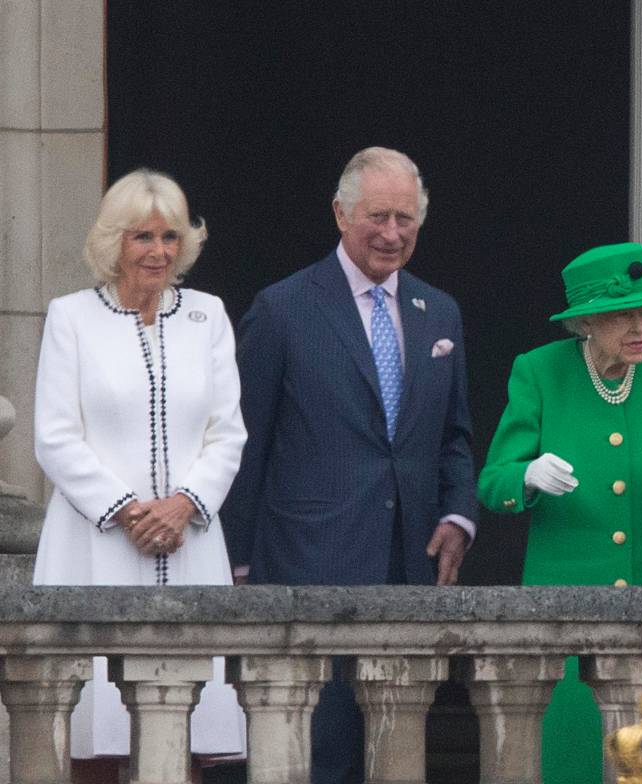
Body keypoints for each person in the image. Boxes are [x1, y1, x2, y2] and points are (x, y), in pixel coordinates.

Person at [221, 147, 478, 784]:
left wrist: (457, 513)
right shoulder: (282, 309)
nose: (392, 234)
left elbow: (453, 437)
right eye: (378, 217)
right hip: (308, 564)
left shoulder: (439, 312)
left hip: (409, 565)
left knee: (396, 755)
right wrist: (234, 561)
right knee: (321, 754)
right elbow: (244, 442)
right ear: (340, 214)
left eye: (406, 220)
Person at [477, 241, 642, 782]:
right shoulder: (540, 371)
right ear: (585, 322)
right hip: (562, 607)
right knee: (571, 756)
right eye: (622, 316)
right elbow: (493, 483)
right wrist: (527, 476)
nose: (640, 328)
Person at [32, 170, 246, 765]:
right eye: (142, 237)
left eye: (170, 236)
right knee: (93, 740)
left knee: (189, 744)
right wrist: (128, 512)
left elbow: (227, 432)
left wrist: (184, 505)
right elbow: (54, 436)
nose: (158, 251)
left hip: (190, 542)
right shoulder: (71, 317)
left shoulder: (208, 315)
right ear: (114, 244)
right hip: (93, 547)